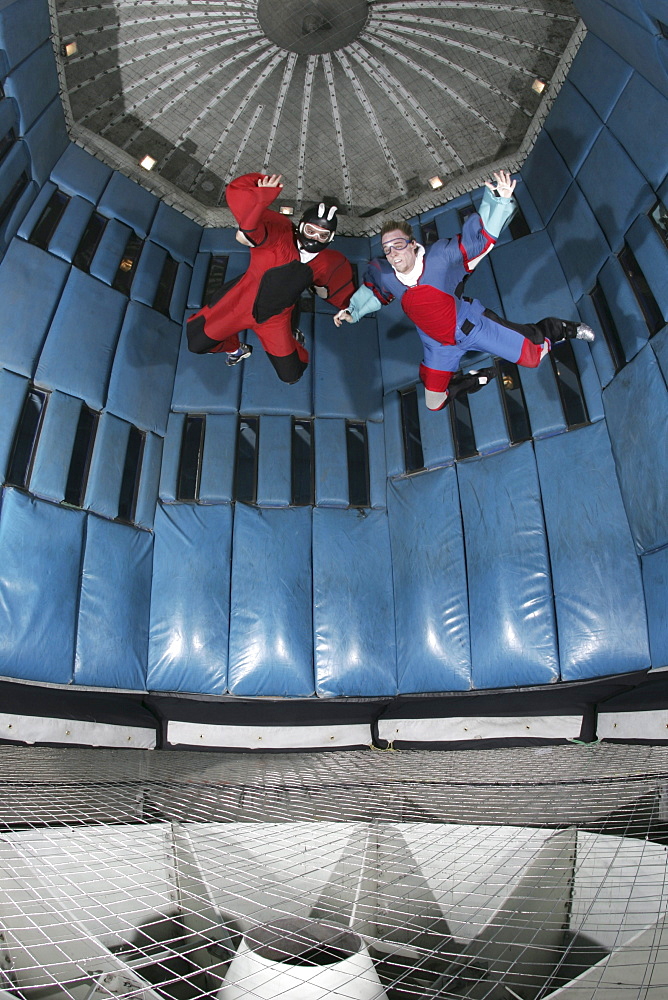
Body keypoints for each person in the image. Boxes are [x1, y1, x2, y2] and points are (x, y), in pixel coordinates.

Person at [334, 171, 594, 410]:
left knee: (533, 356)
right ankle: (473, 381)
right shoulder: (385, 274)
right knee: (434, 403)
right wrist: (352, 311)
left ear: (413, 245)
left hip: (471, 326)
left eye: (398, 245)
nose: (392, 253)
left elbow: (479, 240)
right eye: (387, 248)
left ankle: (562, 328)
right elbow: (374, 290)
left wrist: (500, 201)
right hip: (437, 345)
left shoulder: (441, 258)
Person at [187, 173, 355, 384]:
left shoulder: (329, 261)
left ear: (330, 238)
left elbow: (333, 291)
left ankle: (292, 332)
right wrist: (260, 200)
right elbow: (248, 231)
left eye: (322, 235)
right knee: (196, 343)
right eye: (311, 231)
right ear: (301, 226)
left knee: (291, 375)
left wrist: (352, 308)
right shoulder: (279, 235)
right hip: (240, 303)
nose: (314, 238)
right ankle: (236, 349)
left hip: (276, 319)